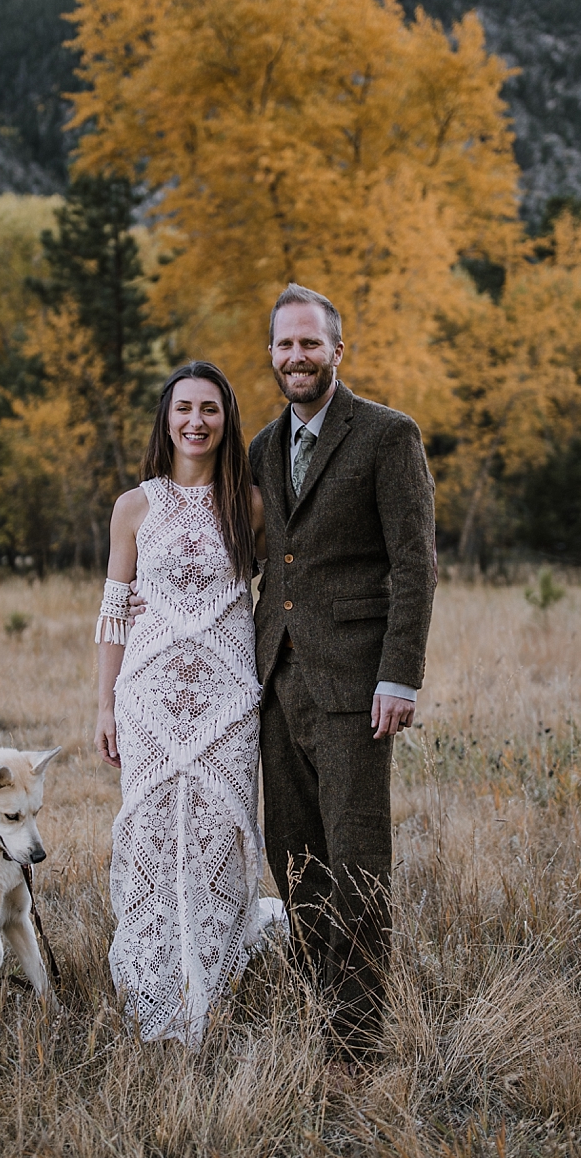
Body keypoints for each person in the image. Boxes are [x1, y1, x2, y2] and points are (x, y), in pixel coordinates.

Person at [250, 284, 437, 1064]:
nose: (297, 357)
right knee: (292, 857)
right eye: (284, 345)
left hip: (358, 688)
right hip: (274, 680)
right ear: (271, 355)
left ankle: (356, 1044)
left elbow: (414, 564)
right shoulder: (261, 447)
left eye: (310, 344)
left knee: (356, 859)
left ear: (336, 350)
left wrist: (399, 675)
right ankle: (316, 1004)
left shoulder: (387, 435)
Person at [94, 361, 272, 1046]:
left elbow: (277, 593)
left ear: (226, 421)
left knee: (217, 832)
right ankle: (151, 976)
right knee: (151, 833)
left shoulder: (250, 505)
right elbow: (113, 611)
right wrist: (105, 705)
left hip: (227, 704)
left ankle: (214, 974)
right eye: (183, 409)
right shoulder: (134, 506)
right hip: (148, 701)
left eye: (209, 409)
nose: (195, 421)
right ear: (166, 420)